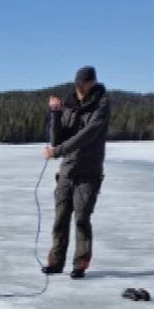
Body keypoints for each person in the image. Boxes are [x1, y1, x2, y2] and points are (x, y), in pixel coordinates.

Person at [43, 65, 110, 279]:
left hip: (89, 174)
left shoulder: (102, 104)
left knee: (82, 218)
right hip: (67, 172)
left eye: (83, 84)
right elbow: (57, 139)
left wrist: (58, 151)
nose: (79, 88)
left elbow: (87, 134)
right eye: (77, 84)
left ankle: (80, 264)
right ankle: (55, 262)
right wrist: (55, 114)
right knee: (60, 219)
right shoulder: (69, 105)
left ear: (92, 83)